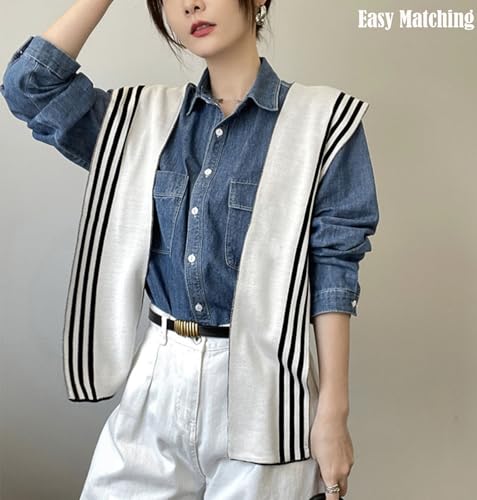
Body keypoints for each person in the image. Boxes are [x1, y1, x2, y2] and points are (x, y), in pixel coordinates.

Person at [0, 0, 380, 498]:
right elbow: (29, 85)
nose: (190, 5)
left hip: (268, 390)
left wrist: (333, 412)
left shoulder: (323, 122)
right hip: (158, 371)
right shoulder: (138, 123)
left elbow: (332, 270)